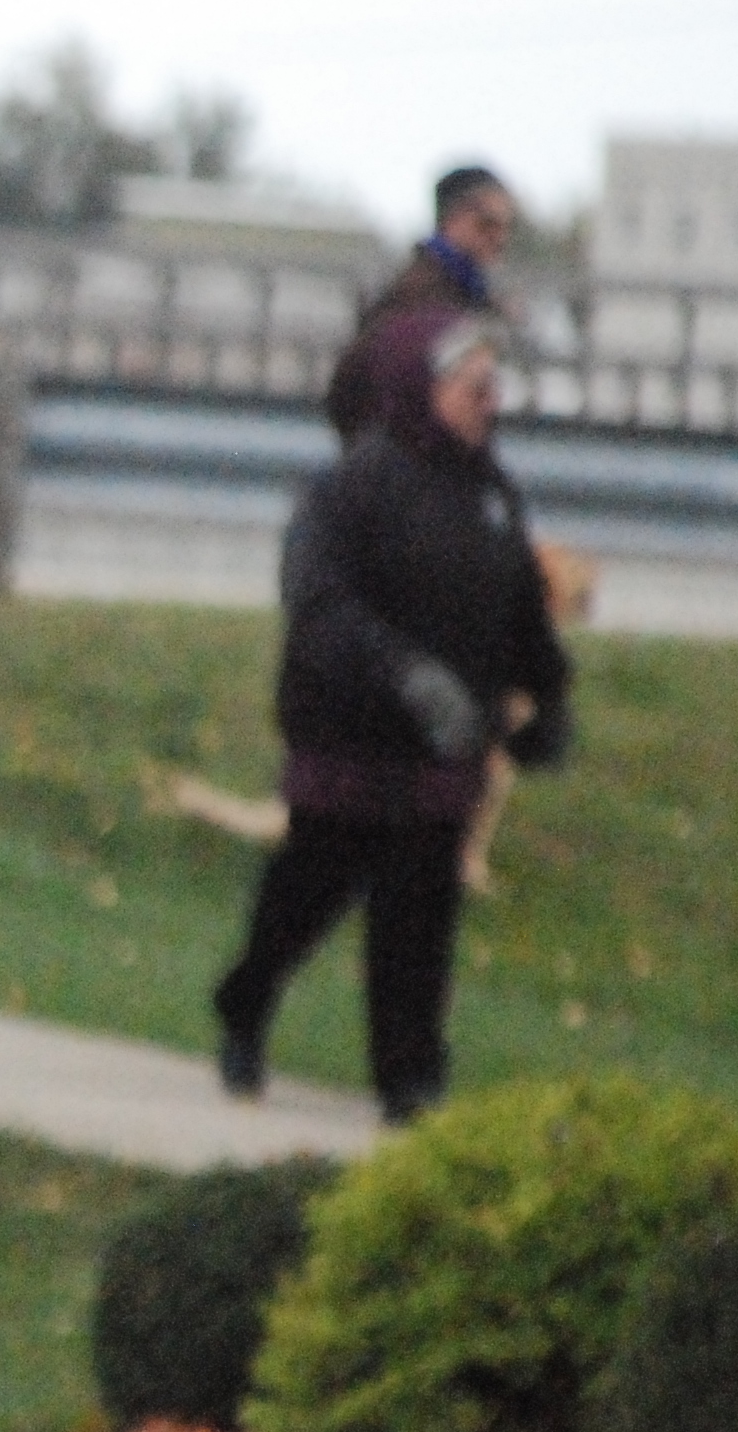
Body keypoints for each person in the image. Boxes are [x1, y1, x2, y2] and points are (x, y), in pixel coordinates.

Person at [214, 310, 571, 1122]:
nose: (489, 401)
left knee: (418, 921)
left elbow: (521, 610)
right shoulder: (356, 485)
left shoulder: (491, 495)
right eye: (472, 385)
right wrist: (402, 675)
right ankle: (246, 1004)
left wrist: (546, 698)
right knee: (307, 894)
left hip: (444, 757)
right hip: (351, 740)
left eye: (494, 387)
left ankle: (409, 1079)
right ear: (425, 387)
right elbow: (317, 600)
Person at [325, 164, 515, 444]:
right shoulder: (420, 296)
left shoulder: (466, 295)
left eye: (505, 228)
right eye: (487, 224)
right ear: (454, 219)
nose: (499, 240)